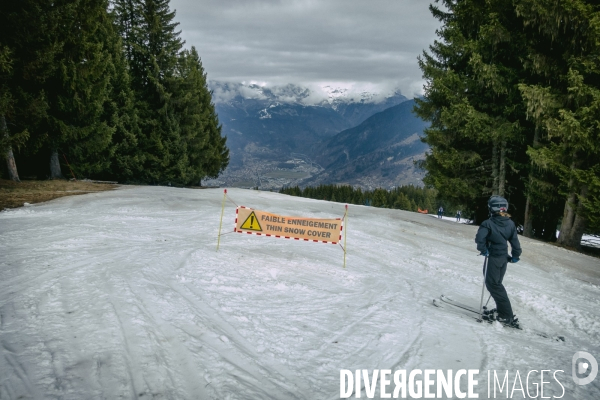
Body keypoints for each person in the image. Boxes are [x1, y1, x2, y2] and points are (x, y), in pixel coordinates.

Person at [475, 195, 522, 326]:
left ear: (492, 208)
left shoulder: (488, 223)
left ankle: (506, 315)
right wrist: (515, 255)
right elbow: (515, 242)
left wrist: (483, 249)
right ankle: (503, 311)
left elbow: (480, 239)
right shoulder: (510, 223)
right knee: (497, 284)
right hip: (503, 258)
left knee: (493, 285)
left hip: (494, 257)